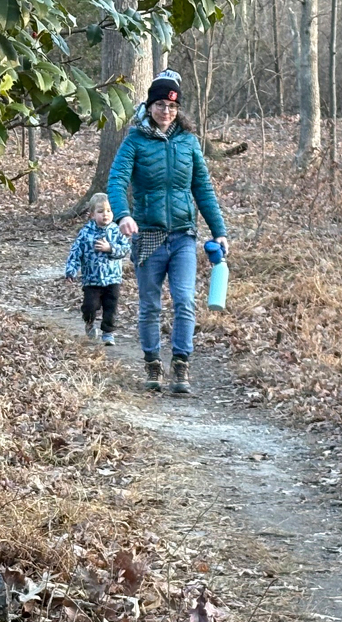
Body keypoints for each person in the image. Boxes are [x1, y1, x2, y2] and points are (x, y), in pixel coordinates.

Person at [107, 74, 231, 395]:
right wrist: (123, 215)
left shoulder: (188, 142)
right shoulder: (134, 141)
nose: (166, 111)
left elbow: (202, 187)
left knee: (185, 300)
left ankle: (180, 363)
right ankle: (152, 363)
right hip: (147, 235)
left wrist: (219, 231)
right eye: (160, 104)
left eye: (172, 106)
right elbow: (117, 181)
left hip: (183, 235)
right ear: (150, 106)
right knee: (150, 304)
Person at [63, 192, 131, 346]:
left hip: (112, 278)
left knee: (111, 306)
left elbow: (125, 249)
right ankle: (89, 322)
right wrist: (71, 270)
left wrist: (110, 248)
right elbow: (75, 252)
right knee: (90, 306)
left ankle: (108, 333)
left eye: (108, 211)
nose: (105, 215)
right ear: (92, 215)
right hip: (91, 279)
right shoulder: (86, 233)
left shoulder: (116, 230)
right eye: (100, 212)